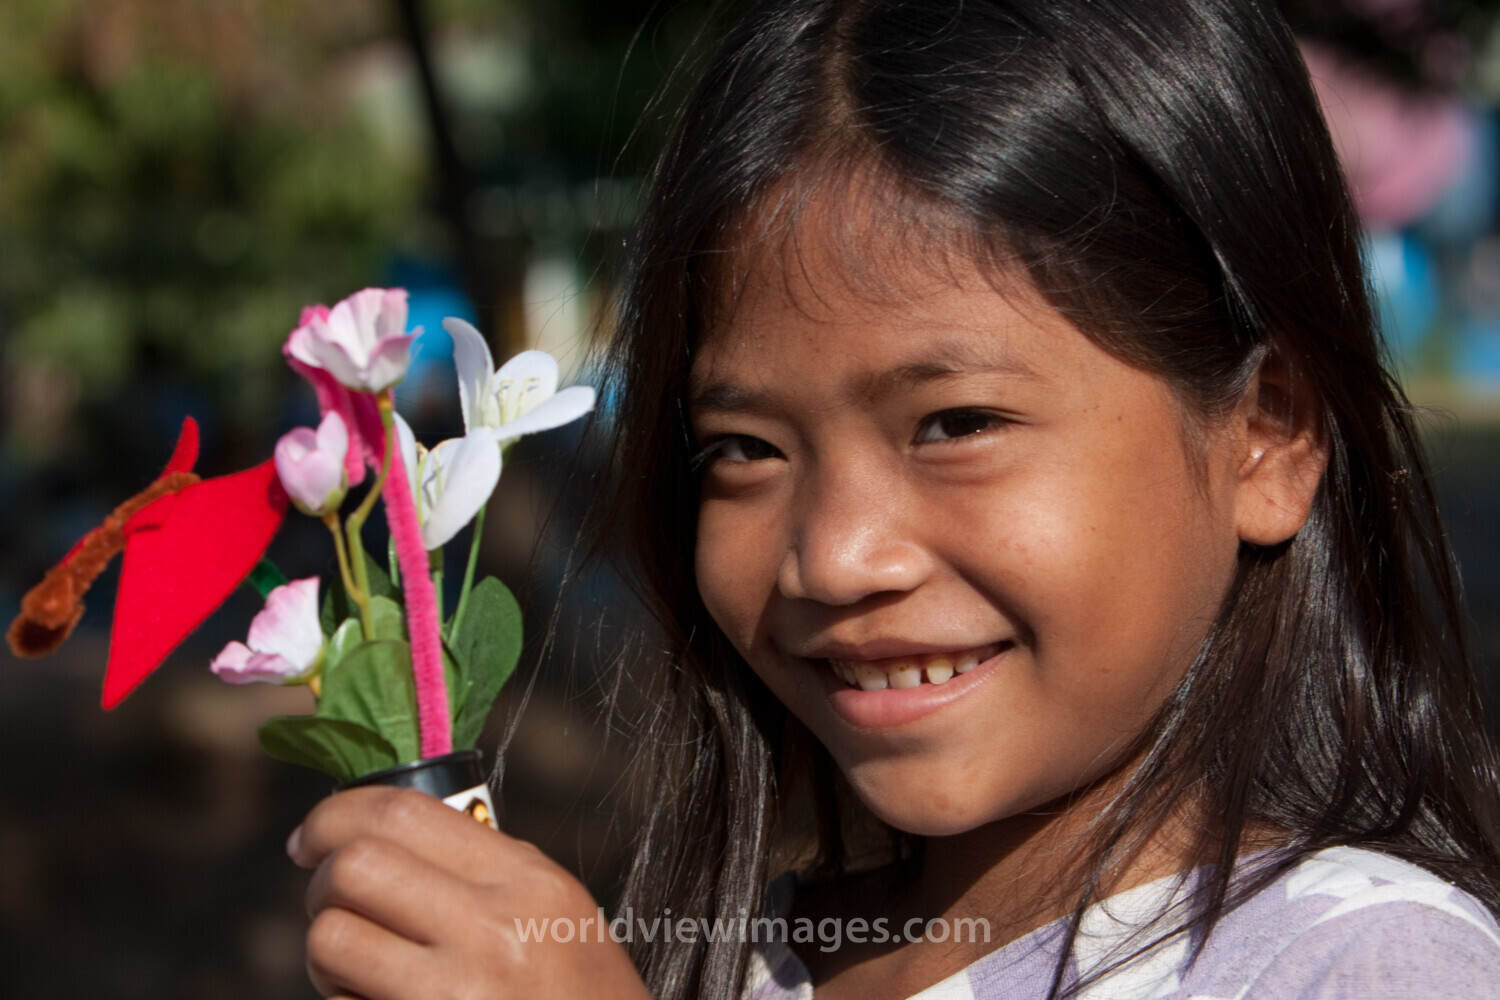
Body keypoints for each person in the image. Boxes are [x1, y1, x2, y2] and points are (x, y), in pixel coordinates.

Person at [285, 1, 1500, 997]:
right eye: (746, 449)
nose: (838, 556)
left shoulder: (1368, 964)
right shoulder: (755, 959)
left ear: (1268, 437)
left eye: (957, 424)